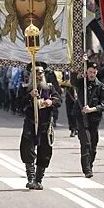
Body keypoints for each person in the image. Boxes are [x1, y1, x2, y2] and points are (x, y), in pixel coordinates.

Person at [19, 62, 61, 190]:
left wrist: (50, 101)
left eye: (41, 72)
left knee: (45, 151)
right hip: (30, 123)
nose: (39, 75)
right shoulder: (26, 87)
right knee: (27, 149)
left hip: (45, 124)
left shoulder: (49, 87)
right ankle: (31, 178)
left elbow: (58, 99)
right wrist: (29, 96)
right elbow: (18, 103)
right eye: (36, 72)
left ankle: (38, 179)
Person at [73, 61, 104, 178]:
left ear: (96, 72)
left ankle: (90, 163)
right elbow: (73, 80)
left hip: (94, 119)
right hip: (81, 118)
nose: (92, 74)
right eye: (89, 72)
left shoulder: (101, 86)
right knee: (86, 143)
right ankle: (87, 169)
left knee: (93, 145)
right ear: (86, 72)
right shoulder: (81, 83)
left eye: (94, 72)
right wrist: (80, 70)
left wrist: (93, 109)